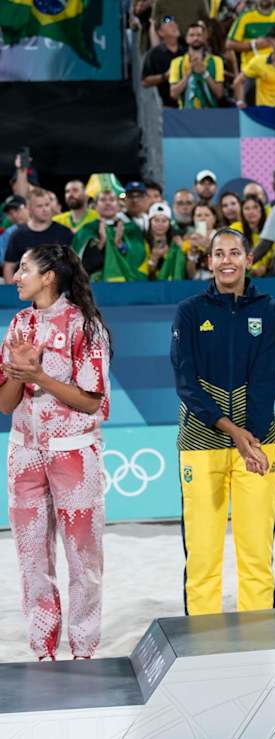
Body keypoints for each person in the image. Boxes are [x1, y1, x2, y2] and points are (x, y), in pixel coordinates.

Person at [0, 245, 110, 661]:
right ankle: (42, 651)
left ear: (49, 276)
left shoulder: (86, 327)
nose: (16, 275)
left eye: (24, 269)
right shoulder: (18, 324)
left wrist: (40, 374)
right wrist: (18, 373)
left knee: (83, 561)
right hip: (24, 455)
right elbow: (7, 404)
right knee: (32, 561)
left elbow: (89, 402)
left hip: (74, 455)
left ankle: (83, 649)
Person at [171, 229, 275, 615]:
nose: (227, 260)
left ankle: (260, 638)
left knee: (256, 553)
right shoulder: (189, 311)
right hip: (202, 443)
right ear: (209, 262)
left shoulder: (269, 310)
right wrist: (234, 432)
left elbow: (266, 378)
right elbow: (186, 382)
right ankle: (201, 641)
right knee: (203, 554)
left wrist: (249, 436)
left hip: (259, 442)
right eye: (219, 254)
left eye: (235, 252)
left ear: (249, 259)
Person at [4, 188, 73, 283]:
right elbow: (9, 266)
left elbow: (73, 265)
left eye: (47, 205)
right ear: (29, 208)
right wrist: (11, 292)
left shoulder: (64, 233)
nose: (45, 209)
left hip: (58, 290)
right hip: (28, 290)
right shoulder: (18, 235)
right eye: (39, 206)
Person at [169, 21, 225, 109]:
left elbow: (219, 94)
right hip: (185, 115)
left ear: (204, 38)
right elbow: (173, 94)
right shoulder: (176, 63)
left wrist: (205, 73)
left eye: (199, 35)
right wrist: (188, 74)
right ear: (186, 39)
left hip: (210, 114)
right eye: (192, 35)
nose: (196, 38)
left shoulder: (217, 61)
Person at [142, 13, 185, 108]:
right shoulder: (154, 54)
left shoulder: (187, 50)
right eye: (170, 25)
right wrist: (164, 76)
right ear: (161, 33)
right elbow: (145, 81)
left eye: (175, 24)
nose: (174, 26)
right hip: (168, 106)